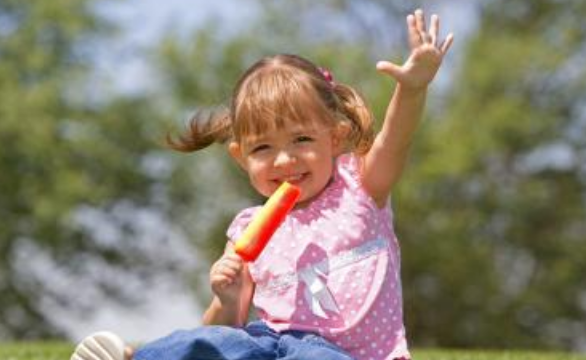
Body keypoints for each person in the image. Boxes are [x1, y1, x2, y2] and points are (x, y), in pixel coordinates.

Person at [71, 9, 453, 360]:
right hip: (273, 343)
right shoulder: (247, 228)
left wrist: (413, 88)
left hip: (350, 355)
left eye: (301, 140)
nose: (284, 160)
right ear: (241, 157)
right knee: (220, 343)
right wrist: (227, 297)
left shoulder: (360, 188)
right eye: (263, 148)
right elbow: (222, 331)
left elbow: (395, 139)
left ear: (334, 139)